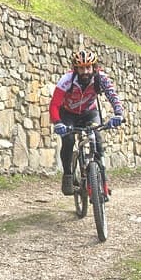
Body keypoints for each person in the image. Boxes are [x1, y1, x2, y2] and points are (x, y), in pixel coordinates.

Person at [49, 48, 125, 195]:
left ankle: (102, 181)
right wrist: (58, 122)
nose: (85, 72)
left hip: (90, 112)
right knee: (69, 140)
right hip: (68, 114)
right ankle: (68, 175)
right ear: (76, 69)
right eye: (81, 68)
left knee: (96, 138)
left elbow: (113, 96)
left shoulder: (100, 78)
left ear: (94, 67)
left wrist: (118, 114)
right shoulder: (67, 80)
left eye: (88, 67)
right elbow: (54, 104)